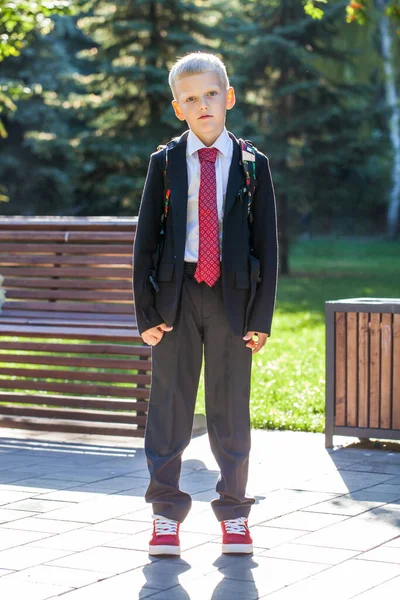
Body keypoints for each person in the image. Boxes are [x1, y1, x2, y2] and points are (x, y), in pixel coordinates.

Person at [133, 51, 278, 557]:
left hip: (232, 303)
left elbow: (268, 247)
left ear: (228, 97)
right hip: (175, 299)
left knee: (230, 407)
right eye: (190, 98)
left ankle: (235, 513)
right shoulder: (165, 162)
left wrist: (261, 318)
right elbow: (145, 241)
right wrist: (146, 313)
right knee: (169, 407)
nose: (202, 104)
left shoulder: (253, 166)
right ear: (178, 107)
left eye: (211, 94)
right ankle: (165, 515)